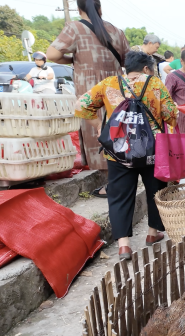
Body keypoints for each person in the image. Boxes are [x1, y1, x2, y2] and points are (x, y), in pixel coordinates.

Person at [74, 51, 178, 260]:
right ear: (147, 68)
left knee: (120, 197)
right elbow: (170, 114)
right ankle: (151, 234)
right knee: (156, 192)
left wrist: (98, 126)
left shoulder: (109, 83)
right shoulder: (155, 84)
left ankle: (124, 246)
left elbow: (80, 106)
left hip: (119, 152)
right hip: (152, 151)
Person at [47, 0, 130, 198]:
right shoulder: (116, 31)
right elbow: (127, 59)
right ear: (100, 8)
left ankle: (112, 184)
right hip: (115, 90)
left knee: (97, 132)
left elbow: (52, 54)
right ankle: (122, 180)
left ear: (79, 8)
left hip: (90, 91)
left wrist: (73, 59)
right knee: (118, 130)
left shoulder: (74, 28)